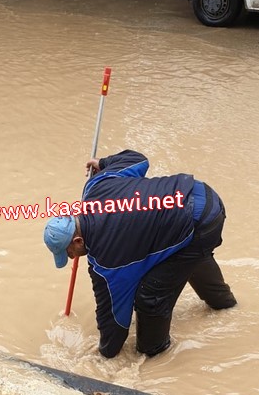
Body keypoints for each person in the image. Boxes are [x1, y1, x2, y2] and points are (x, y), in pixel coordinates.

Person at [43, 149, 236, 358]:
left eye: (70, 253)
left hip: (199, 223)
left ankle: (156, 352)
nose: (72, 258)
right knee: (181, 252)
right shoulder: (96, 185)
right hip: (203, 195)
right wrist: (104, 162)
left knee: (149, 296)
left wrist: (106, 354)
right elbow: (137, 160)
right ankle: (226, 306)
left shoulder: (106, 262)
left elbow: (114, 317)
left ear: (78, 241)